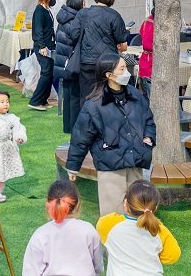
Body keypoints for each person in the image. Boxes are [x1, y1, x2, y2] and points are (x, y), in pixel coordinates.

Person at [65, 54, 156, 218]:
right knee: (113, 215)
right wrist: (73, 166)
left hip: (135, 161)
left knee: (139, 211)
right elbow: (80, 137)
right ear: (108, 74)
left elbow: (148, 119)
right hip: (110, 165)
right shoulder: (93, 105)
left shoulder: (135, 95)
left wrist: (148, 139)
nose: (126, 72)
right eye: (122, 69)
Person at [72, 0, 129, 113]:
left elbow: (73, 34)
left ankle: (86, 125)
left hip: (87, 61)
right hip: (108, 63)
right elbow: (122, 42)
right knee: (108, 95)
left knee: (86, 96)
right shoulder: (114, 16)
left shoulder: (83, 13)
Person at [53, 0, 86, 133]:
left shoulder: (63, 18)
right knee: (74, 98)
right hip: (71, 64)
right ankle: (74, 128)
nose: (86, 5)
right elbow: (75, 38)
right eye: (84, 3)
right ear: (78, 4)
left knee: (68, 97)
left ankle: (68, 127)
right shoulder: (74, 20)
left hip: (62, 63)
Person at [29, 0, 58, 110]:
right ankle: (35, 101)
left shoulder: (46, 9)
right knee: (46, 72)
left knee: (49, 72)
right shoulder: (40, 10)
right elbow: (38, 30)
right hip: (43, 46)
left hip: (49, 45)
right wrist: (42, 46)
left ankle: (43, 99)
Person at [137, 4, 154, 95]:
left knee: (145, 93)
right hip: (151, 61)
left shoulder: (147, 20)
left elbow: (141, 34)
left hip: (145, 59)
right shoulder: (158, 23)